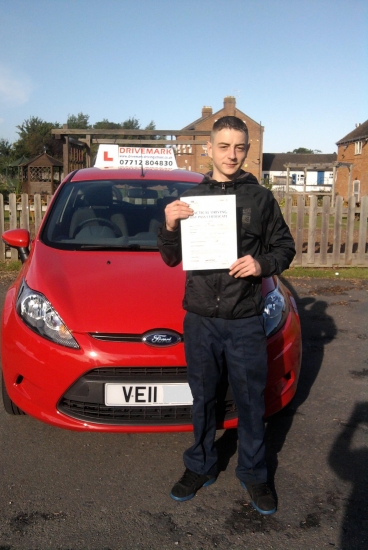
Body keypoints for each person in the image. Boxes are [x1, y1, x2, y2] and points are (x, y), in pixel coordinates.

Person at [157, 116, 295, 515]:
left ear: (246, 149)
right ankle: (200, 465)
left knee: (251, 401)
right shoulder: (190, 200)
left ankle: (254, 474)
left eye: (239, 147)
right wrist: (168, 223)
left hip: (244, 318)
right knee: (203, 399)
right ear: (210, 149)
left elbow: (285, 248)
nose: (231, 155)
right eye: (223, 146)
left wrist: (262, 264)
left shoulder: (261, 199)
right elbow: (170, 256)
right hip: (200, 318)